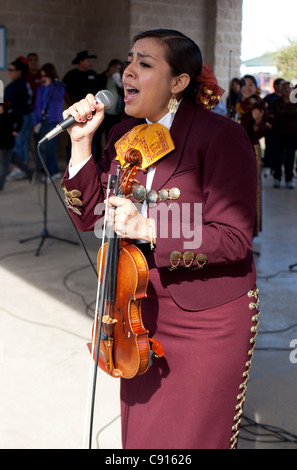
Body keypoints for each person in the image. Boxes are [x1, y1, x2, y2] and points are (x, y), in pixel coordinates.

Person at [61, 29, 259, 449]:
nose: (127, 71)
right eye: (129, 60)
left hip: (206, 317)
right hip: (136, 311)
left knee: (193, 438)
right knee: (144, 437)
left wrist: (149, 228)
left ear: (178, 82)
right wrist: (81, 145)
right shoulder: (122, 137)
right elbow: (89, 216)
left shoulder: (220, 136)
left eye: (145, 64)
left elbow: (234, 237)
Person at [236, 75, 268, 235]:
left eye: (251, 84)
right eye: (244, 84)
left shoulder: (258, 105)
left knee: (251, 189)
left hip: (250, 151)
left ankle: (251, 231)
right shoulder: (238, 104)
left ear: (256, 87)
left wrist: (257, 122)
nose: (247, 87)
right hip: (234, 151)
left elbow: (260, 133)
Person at [34, 63, 65, 180]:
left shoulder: (57, 87)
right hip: (42, 120)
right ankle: (52, 170)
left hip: (54, 121)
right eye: (41, 76)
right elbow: (37, 105)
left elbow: (58, 99)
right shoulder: (40, 89)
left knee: (50, 148)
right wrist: (35, 122)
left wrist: (51, 84)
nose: (43, 78)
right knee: (43, 147)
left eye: (45, 75)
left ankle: (51, 173)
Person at [4, 56, 33, 180]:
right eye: (9, 69)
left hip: (19, 118)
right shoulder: (23, 83)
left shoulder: (16, 85)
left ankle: (19, 168)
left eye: (12, 69)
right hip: (26, 116)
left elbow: (6, 102)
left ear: (19, 71)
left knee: (18, 143)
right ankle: (23, 168)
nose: (9, 72)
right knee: (22, 143)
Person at [94, 59, 124, 159]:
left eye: (119, 69)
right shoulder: (101, 77)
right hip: (103, 112)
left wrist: (121, 85)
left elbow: (123, 94)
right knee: (97, 136)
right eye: (115, 68)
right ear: (110, 67)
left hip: (115, 113)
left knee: (111, 137)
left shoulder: (119, 79)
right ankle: (97, 158)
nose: (116, 70)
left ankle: (109, 158)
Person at [271, 82, 297, 189]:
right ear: (281, 90)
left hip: (293, 134)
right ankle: (277, 177)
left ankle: (289, 178)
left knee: (290, 156)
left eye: (290, 88)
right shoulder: (276, 102)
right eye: (285, 88)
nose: (287, 90)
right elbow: (277, 115)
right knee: (278, 155)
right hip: (278, 133)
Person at [0, 103, 31, 191]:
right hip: (3, 145)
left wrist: (16, 130)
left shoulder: (9, 116)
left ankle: (0, 185)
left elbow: (20, 119)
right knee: (15, 160)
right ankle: (30, 173)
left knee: (4, 166)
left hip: (7, 145)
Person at [263, 78, 285, 176]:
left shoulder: (288, 100)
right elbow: (263, 111)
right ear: (275, 86)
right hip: (270, 127)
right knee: (270, 147)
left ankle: (278, 168)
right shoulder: (269, 98)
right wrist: (267, 123)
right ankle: (268, 166)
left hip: (283, 129)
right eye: (281, 84)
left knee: (282, 149)